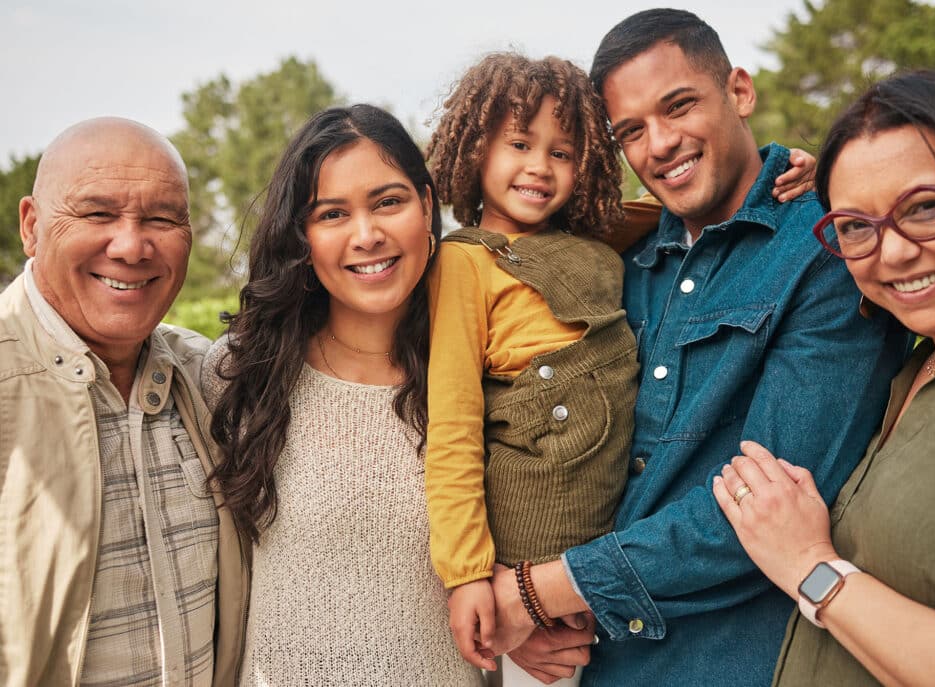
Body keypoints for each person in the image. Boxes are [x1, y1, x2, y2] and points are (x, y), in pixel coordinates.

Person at [487, 10, 911, 686]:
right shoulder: (621, 266)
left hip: (739, 663)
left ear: (739, 91)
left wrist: (540, 591)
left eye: (678, 105)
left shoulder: (826, 248)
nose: (659, 144)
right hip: (601, 665)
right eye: (631, 131)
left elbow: (769, 508)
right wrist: (529, 599)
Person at [713, 70, 935, 687]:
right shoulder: (913, 364)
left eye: (926, 208)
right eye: (856, 225)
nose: (895, 252)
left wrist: (810, 566)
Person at [202, 104, 482, 686]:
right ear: (302, 235)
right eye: (332, 213)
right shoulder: (242, 374)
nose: (366, 235)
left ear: (427, 206)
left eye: (388, 202)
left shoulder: (486, 378)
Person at [0, 117, 247, 685]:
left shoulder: (207, 377)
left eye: (161, 219)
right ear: (31, 226)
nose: (132, 245)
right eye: (97, 214)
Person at [423, 53, 639, 686]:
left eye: (563, 152)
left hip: (602, 539)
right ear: (476, 149)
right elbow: (455, 421)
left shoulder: (594, 246)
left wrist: (785, 173)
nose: (540, 167)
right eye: (519, 143)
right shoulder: (464, 263)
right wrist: (466, 574)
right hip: (526, 545)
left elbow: (678, 209)